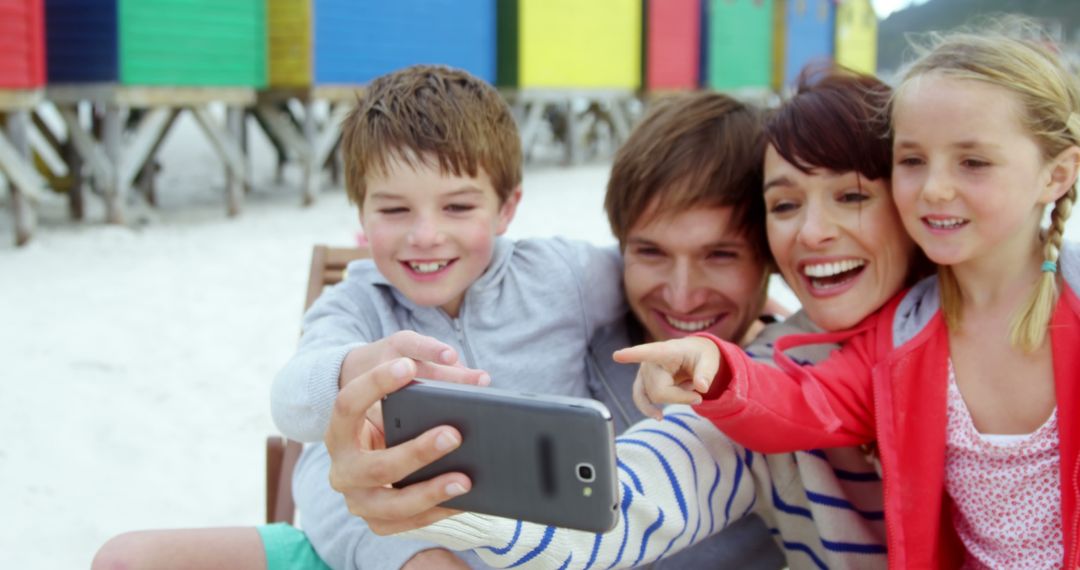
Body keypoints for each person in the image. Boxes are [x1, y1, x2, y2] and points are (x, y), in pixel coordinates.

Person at [91, 69, 782, 569]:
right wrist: (355, 371)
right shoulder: (358, 305)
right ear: (359, 214)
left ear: (507, 208)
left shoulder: (566, 280)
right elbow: (293, 403)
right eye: (394, 211)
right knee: (126, 558)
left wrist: (759, 329)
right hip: (376, 543)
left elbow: (671, 288)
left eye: (457, 208)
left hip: (505, 551)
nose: (425, 236)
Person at [394, 68, 918, 568]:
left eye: (720, 256)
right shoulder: (569, 345)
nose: (684, 296)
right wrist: (437, 523)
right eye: (650, 253)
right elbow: (653, 481)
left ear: (766, 259)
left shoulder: (788, 362)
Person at [624, 24, 1080, 568]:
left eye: (973, 162)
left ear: (1057, 173)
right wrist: (715, 368)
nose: (934, 188)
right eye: (912, 161)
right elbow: (802, 403)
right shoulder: (904, 331)